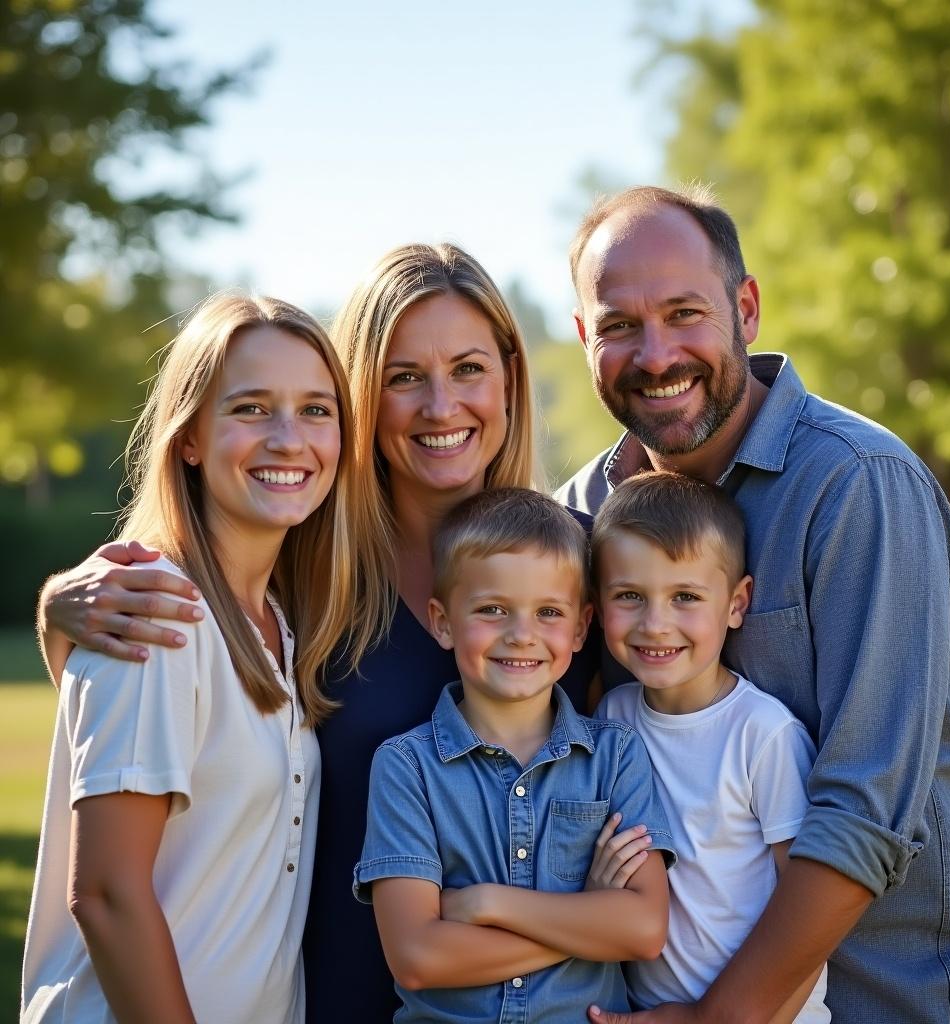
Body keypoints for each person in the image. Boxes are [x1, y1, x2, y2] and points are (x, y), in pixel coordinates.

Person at [34, 243, 601, 1021]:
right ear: (364, 395)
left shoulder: (580, 566)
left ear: (510, 376)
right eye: (404, 377)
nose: (441, 407)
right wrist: (60, 607)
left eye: (469, 368)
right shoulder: (304, 570)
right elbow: (133, 722)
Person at [556, 185, 950, 1023]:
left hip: (867, 1003)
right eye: (617, 326)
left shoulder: (859, 486)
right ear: (581, 338)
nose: (655, 353)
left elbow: (866, 811)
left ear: (746, 308)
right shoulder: (580, 514)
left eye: (685, 313)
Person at [21, 293, 357, 1023]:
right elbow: (107, 897)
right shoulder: (152, 611)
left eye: (316, 409)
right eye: (251, 408)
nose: (289, 438)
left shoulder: (280, 625)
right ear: (190, 439)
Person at [355, 487, 675, 1022]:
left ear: (580, 628)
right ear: (442, 621)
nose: (521, 635)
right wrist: (587, 920)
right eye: (492, 609)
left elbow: (643, 931)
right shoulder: (406, 766)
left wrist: (488, 906)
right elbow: (417, 958)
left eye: (548, 611)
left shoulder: (616, 756)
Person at [590, 470, 829, 1022]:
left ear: (736, 603)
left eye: (685, 597)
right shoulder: (612, 719)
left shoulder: (762, 734)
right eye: (629, 596)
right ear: (598, 606)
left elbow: (806, 909)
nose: (656, 624)